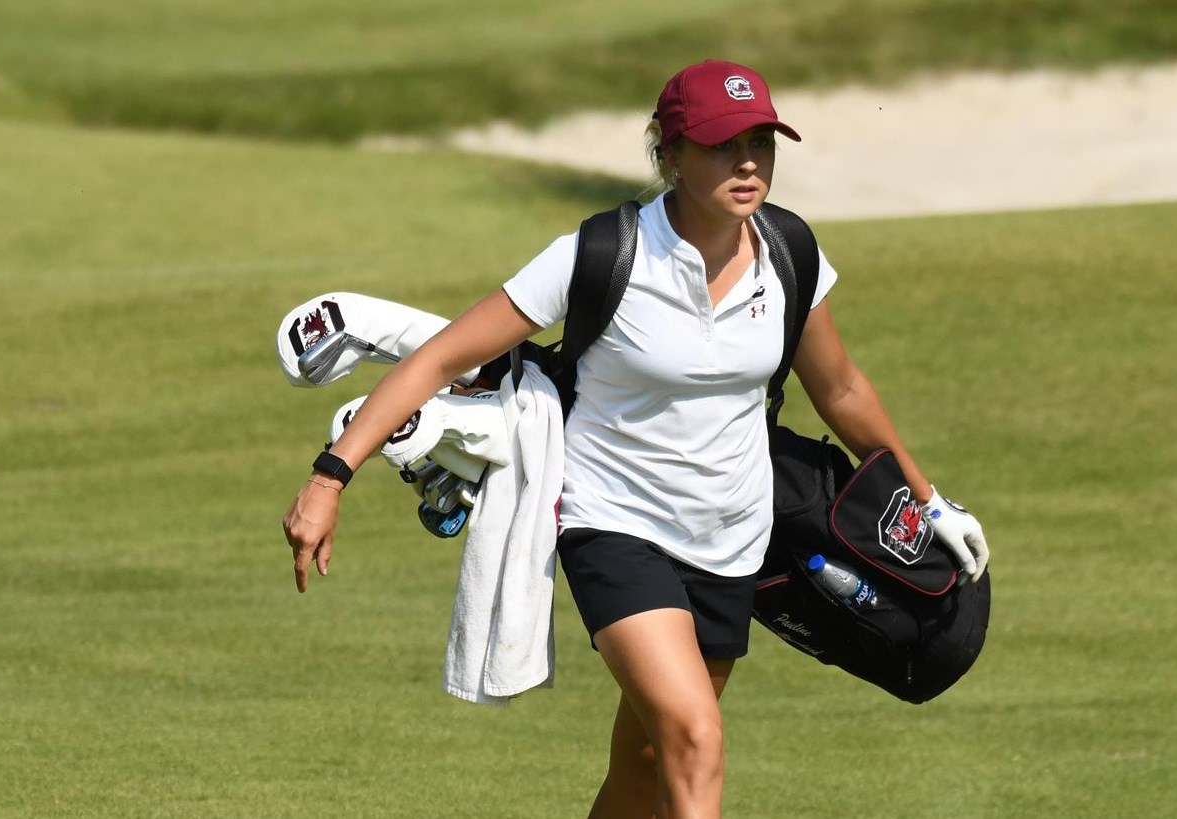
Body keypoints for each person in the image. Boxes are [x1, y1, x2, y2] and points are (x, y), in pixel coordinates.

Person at [283, 59, 990, 819]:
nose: (748, 162)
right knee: (696, 738)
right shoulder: (601, 253)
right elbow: (439, 356)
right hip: (614, 525)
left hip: (734, 537)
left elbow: (841, 388)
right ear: (670, 154)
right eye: (723, 144)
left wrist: (927, 499)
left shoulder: (789, 253)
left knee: (646, 764)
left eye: (762, 141)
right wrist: (330, 477)